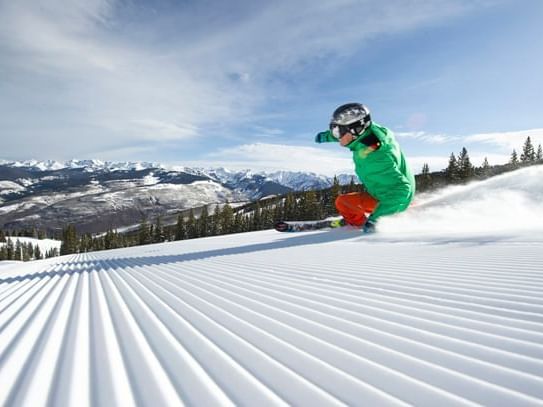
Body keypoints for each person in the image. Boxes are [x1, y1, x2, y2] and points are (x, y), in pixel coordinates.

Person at [315, 103, 415, 232]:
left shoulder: (375, 157)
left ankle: (359, 223)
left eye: (339, 132)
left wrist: (376, 220)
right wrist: (325, 136)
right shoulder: (370, 133)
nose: (337, 136)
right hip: (383, 192)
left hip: (391, 199)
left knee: (343, 202)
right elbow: (350, 134)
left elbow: (402, 190)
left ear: (356, 130)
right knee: (345, 201)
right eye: (335, 131)